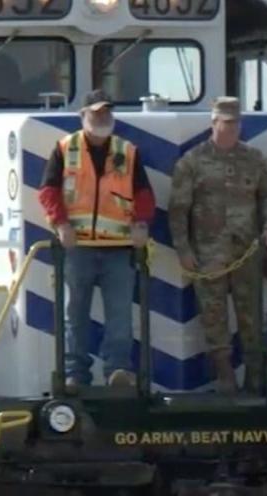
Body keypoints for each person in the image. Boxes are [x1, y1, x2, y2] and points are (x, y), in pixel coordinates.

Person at [38, 89, 156, 390]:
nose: (102, 118)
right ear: (83, 116)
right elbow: (48, 191)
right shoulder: (65, 148)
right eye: (96, 113)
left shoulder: (127, 151)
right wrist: (60, 223)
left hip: (118, 249)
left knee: (119, 316)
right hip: (78, 248)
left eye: (106, 113)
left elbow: (143, 194)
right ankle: (75, 375)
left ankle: (117, 371)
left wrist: (142, 223)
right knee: (74, 315)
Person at [168, 97, 267, 393]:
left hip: (247, 253)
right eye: (225, 123)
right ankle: (225, 379)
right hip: (209, 257)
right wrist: (183, 249)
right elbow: (178, 209)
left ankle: (255, 380)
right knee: (213, 319)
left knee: (252, 319)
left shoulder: (255, 159)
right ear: (214, 123)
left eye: (235, 123)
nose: (231, 128)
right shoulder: (192, 162)